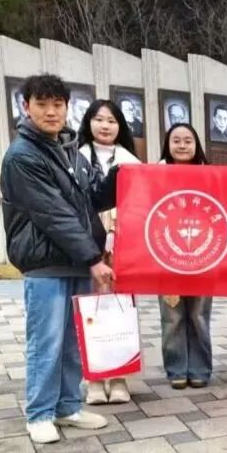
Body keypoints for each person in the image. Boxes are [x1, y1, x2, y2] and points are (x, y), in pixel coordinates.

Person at [0, 74, 115, 444]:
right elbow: (53, 214)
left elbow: (90, 199)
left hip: (75, 261)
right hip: (46, 264)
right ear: (26, 107)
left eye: (57, 104)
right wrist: (94, 257)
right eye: (42, 104)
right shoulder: (22, 156)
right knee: (46, 342)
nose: (51, 112)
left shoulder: (69, 151)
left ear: (66, 107)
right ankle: (39, 414)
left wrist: (120, 178)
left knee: (71, 342)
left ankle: (67, 407)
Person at [78, 99, 141, 405]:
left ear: (120, 126)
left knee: (120, 309)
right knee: (90, 311)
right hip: (87, 245)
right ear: (88, 122)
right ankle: (92, 379)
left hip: (123, 247)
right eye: (99, 119)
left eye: (112, 120)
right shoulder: (74, 157)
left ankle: (119, 377)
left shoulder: (131, 160)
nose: (105, 125)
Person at [158, 123, 213, 389]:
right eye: (176, 140)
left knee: (199, 315)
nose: (182, 145)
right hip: (166, 256)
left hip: (204, 256)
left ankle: (200, 369)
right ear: (168, 144)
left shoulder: (210, 176)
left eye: (188, 140)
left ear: (196, 145)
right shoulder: (154, 175)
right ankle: (176, 369)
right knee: (173, 316)